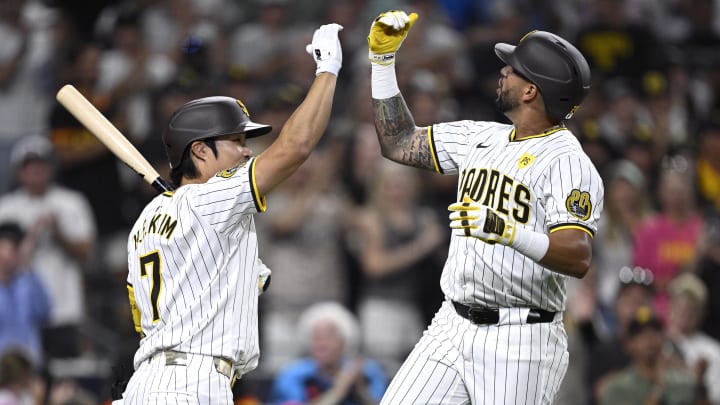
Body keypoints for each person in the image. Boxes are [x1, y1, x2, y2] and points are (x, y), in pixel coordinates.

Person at [367, 11, 603, 404]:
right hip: (451, 324)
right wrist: (383, 64)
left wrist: (507, 230)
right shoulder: (479, 136)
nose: (503, 72)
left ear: (532, 91)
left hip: (521, 338)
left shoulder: (568, 162)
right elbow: (399, 142)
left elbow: (578, 256)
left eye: (513, 69)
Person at [114, 22, 344, 404]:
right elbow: (296, 147)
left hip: (149, 382)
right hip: (194, 383)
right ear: (201, 151)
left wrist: (242, 272)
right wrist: (327, 73)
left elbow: (143, 315)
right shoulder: (211, 200)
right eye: (236, 141)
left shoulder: (146, 219)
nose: (247, 151)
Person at [0, 135, 96, 360]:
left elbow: (87, 253)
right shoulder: (5, 208)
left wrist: (58, 234)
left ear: (51, 168)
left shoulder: (71, 202)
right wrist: (28, 240)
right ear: (19, 171)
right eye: (29, 166)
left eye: (40, 165)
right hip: (18, 314)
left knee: (65, 372)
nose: (35, 171)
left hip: (64, 308)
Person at [269, 302, 388, 405]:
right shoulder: (293, 375)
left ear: (344, 342)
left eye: (329, 337)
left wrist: (360, 389)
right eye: (316, 337)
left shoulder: (368, 372)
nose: (322, 344)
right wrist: (338, 391)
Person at [599, 306, 702, 405]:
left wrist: (700, 384)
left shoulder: (683, 383)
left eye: (655, 331)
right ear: (629, 344)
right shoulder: (618, 388)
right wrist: (658, 386)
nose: (649, 338)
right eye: (641, 334)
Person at [0, 222, 51, 365]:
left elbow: (45, 312)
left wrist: (28, 266)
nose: (9, 255)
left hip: (29, 364)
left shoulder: (27, 282)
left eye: (14, 250)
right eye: (5, 248)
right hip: (3, 368)